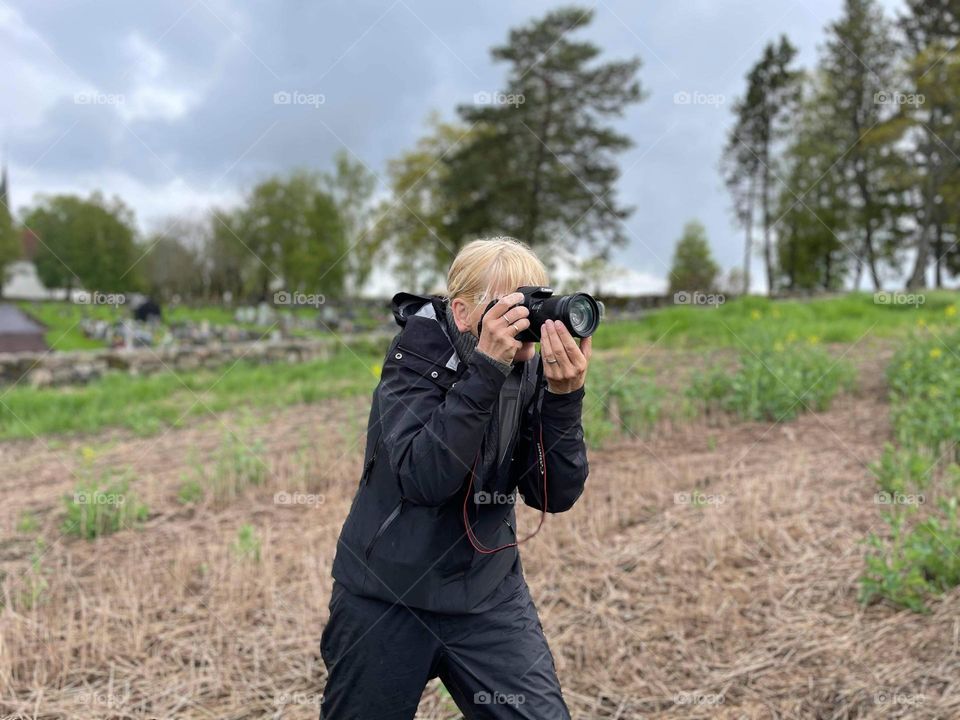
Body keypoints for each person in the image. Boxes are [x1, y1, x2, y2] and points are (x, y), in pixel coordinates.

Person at [321, 237, 591, 719]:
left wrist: (564, 396)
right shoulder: (414, 361)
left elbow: (554, 494)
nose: (526, 320)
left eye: (535, 300)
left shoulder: (528, 367)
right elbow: (425, 478)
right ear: (463, 313)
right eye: (509, 307)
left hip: (486, 593)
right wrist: (486, 370)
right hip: (387, 595)